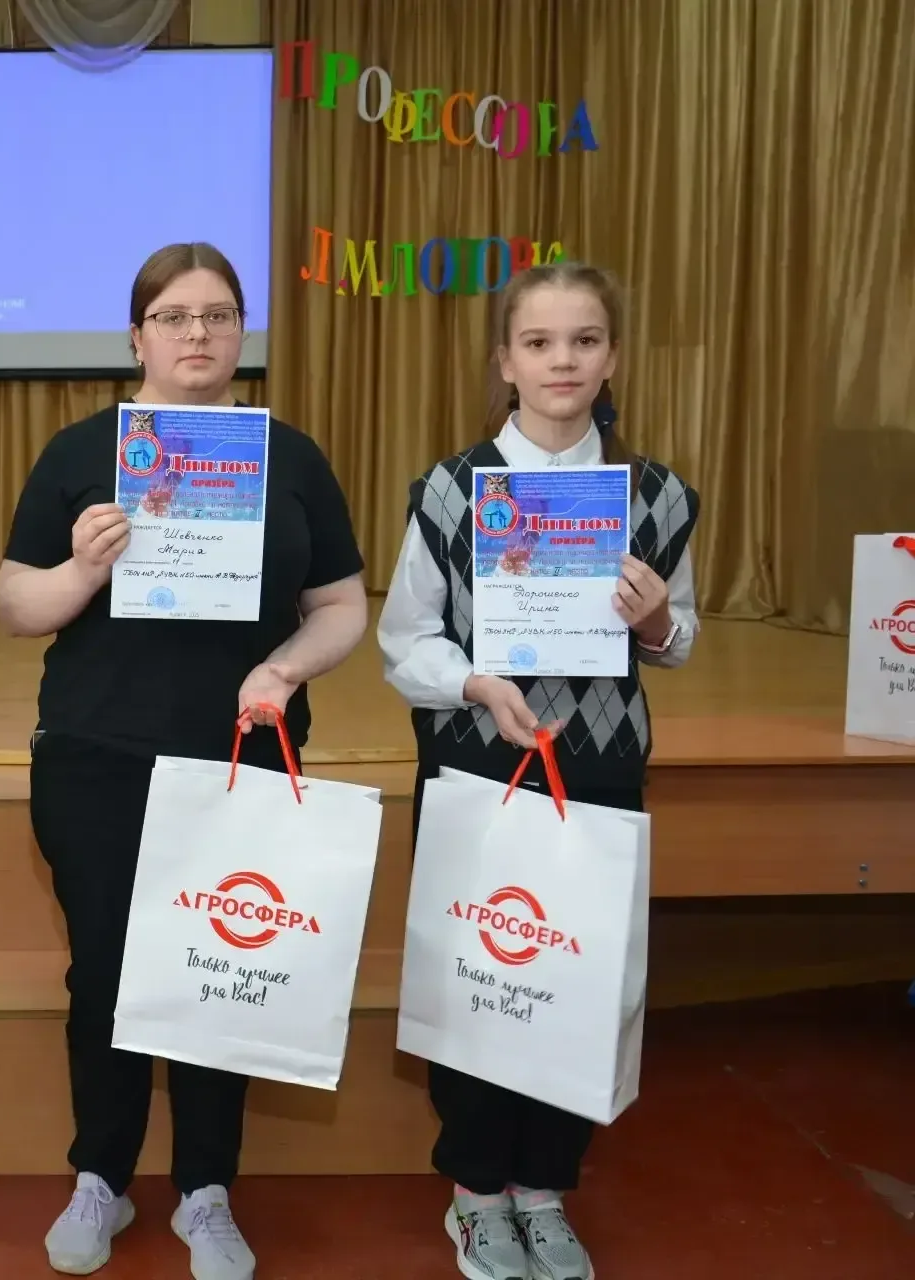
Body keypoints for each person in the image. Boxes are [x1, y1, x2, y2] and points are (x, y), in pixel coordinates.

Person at [0, 242, 370, 1280]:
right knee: (104, 973)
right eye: (173, 316)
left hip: (242, 754)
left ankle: (206, 1190)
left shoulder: (291, 458)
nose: (196, 333)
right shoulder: (80, 451)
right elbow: (15, 603)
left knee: (224, 975)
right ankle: (101, 1175)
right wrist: (82, 569)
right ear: (136, 337)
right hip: (97, 754)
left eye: (217, 315)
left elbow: (343, 604)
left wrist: (284, 669)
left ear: (241, 331)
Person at [377, 261, 701, 1280]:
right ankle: (477, 1195)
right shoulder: (451, 490)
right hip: (480, 770)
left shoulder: (657, 495)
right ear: (505, 361)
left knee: (576, 983)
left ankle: (546, 1190)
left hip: (599, 771)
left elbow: (678, 638)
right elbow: (404, 640)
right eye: (540, 342)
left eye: (585, 340)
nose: (564, 360)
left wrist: (657, 621)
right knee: (480, 978)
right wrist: (477, 684)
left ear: (612, 358)